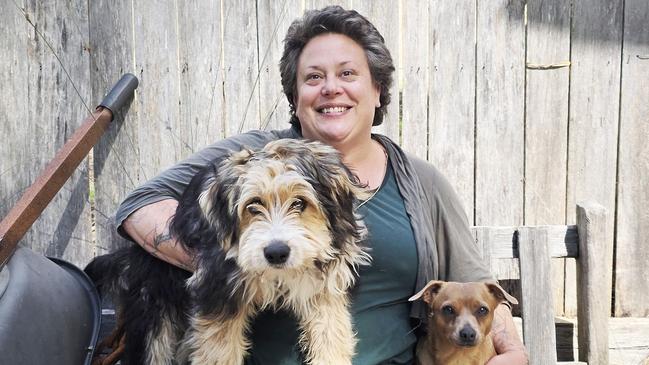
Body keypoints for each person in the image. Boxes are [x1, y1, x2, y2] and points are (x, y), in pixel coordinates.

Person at [115, 5, 527, 365]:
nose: (331, 88)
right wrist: (235, 256)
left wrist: (511, 349)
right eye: (313, 77)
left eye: (348, 73)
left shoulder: (423, 182)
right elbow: (139, 206)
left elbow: (476, 282)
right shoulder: (254, 157)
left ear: (376, 88)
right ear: (295, 97)